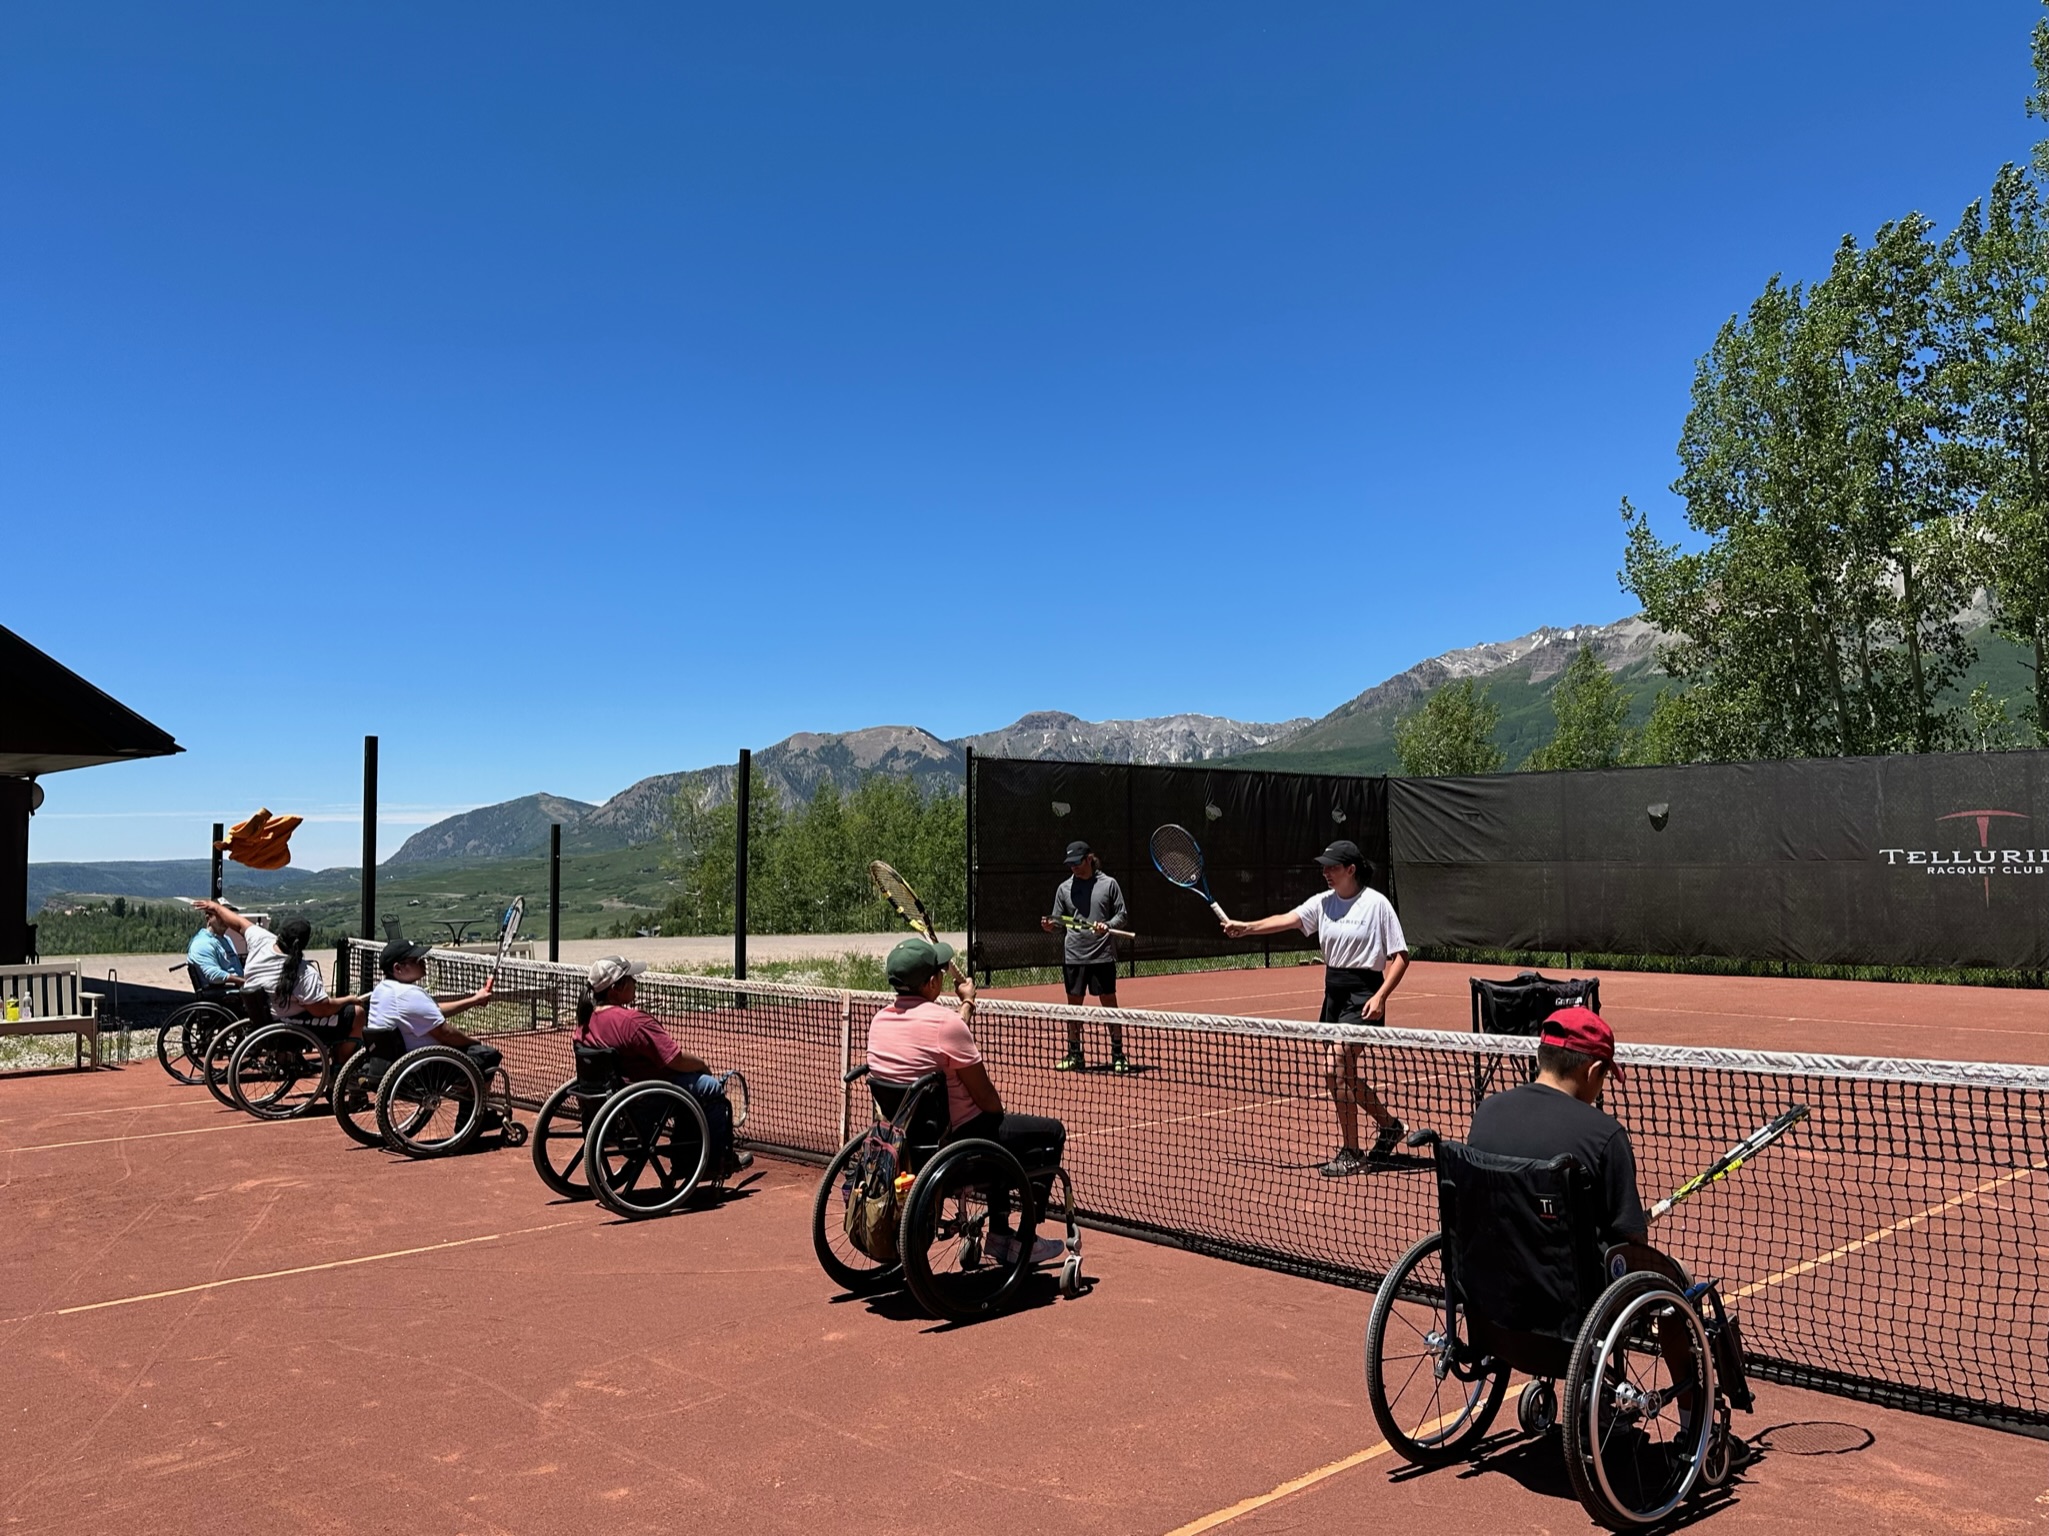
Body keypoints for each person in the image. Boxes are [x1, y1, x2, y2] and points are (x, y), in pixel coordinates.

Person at [865, 936, 1065, 1265]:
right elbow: (987, 1099)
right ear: (932, 982)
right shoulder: (946, 1025)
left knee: (997, 1132)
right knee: (1044, 1132)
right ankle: (1020, 1238)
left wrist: (967, 1006)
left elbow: (936, 1041)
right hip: (955, 1144)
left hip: (905, 1143)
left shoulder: (879, 1022)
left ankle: (1000, 1235)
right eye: (939, 974)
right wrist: (966, 1006)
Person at [1219, 839, 1409, 1177]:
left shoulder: (1377, 904)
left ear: (1351, 869)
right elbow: (1288, 919)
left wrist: (1381, 995)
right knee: (1344, 1074)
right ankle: (1390, 1127)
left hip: (1363, 995)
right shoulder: (1323, 903)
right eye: (1324, 866)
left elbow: (1400, 957)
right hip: (1333, 995)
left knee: (1333, 1066)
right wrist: (1246, 927)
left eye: (1332, 867)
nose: (1326, 872)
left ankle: (1351, 1151)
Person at [1466, 1006, 1645, 1244]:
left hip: (1485, 1275)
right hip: (1568, 1280)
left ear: (1541, 1058)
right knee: (1680, 1272)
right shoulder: (1605, 1136)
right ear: (1591, 1072)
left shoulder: (1485, 1113)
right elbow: (1633, 1243)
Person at [576, 956, 752, 1179]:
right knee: (710, 1088)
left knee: (689, 1088)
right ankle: (714, 1160)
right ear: (616, 988)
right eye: (630, 978)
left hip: (611, 1106)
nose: (635, 982)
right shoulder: (632, 1022)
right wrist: (703, 1066)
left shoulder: (584, 1023)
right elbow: (674, 1059)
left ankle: (687, 1157)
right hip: (643, 1103)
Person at [1039, 840, 1130, 1072]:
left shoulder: (1109, 884)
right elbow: (1058, 921)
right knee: (1074, 1008)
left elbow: (1122, 914)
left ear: (1089, 858)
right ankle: (1075, 1054)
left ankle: (1118, 1054)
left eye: (1077, 863)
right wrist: (1051, 926)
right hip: (1074, 957)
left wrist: (1108, 925)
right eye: (1070, 864)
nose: (1074, 868)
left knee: (1109, 1004)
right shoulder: (1064, 889)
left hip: (1102, 956)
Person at [367, 937, 500, 1075]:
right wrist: (473, 1041)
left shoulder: (382, 990)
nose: (423, 962)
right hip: (420, 1069)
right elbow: (445, 1033)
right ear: (398, 968)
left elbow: (434, 1011)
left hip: (388, 1067)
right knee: (486, 1055)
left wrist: (474, 1000)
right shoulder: (408, 994)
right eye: (416, 960)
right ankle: (477, 1095)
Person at [185, 902, 245, 995]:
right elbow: (213, 975)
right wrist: (241, 981)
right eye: (220, 915)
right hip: (223, 993)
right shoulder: (202, 943)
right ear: (208, 918)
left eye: (227, 915)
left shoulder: (226, 939)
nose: (225, 919)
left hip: (235, 988)